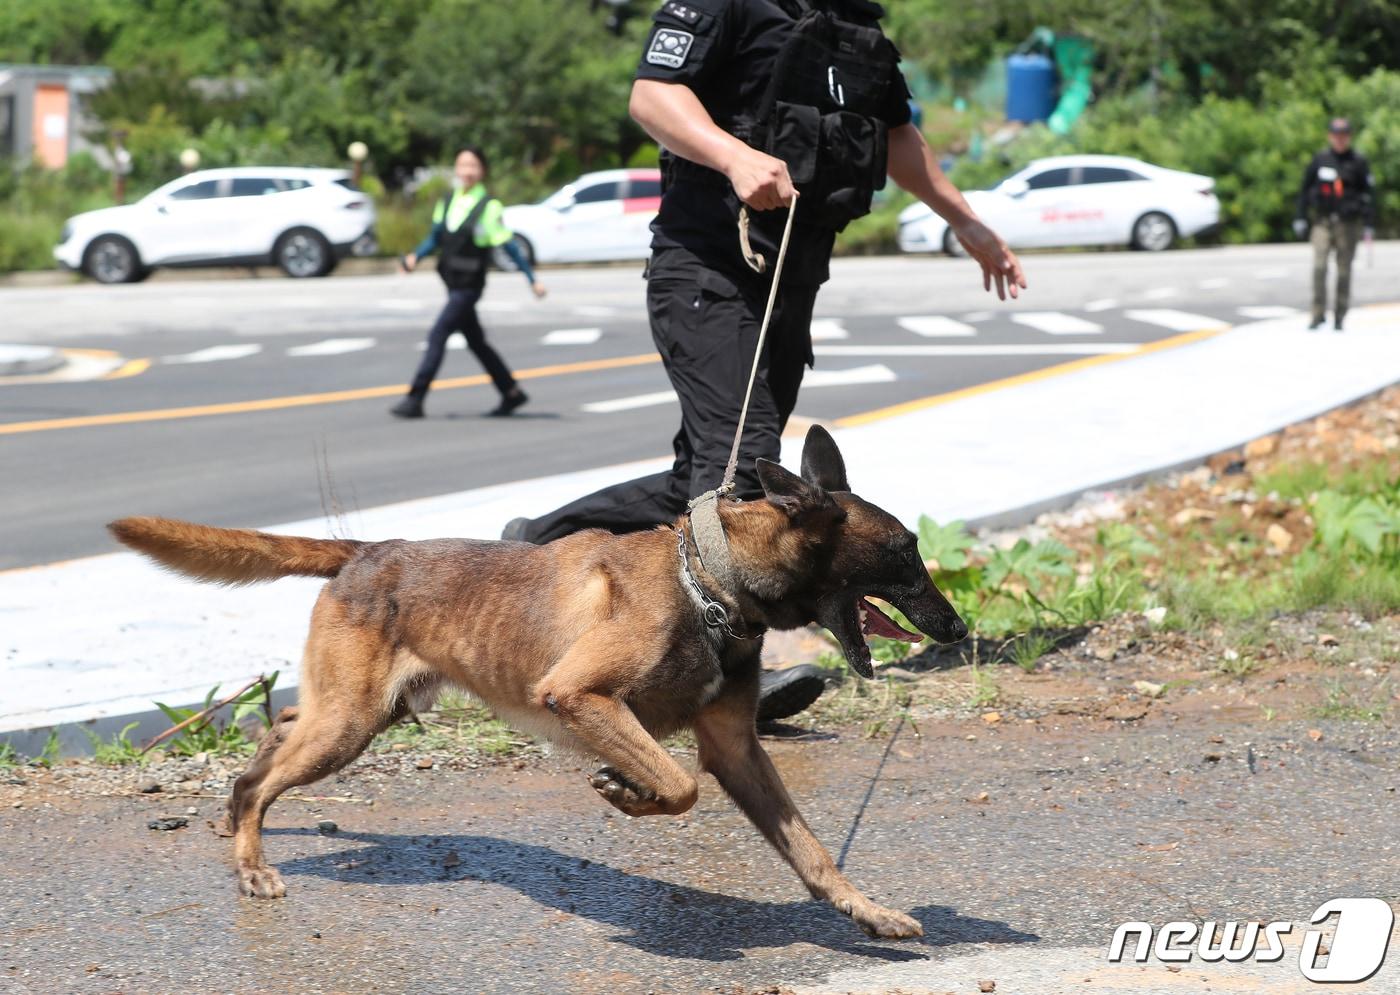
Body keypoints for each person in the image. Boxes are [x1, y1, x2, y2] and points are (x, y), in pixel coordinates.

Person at [504, 0, 1025, 720]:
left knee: (708, 477)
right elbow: (652, 94)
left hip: (791, 283)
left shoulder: (857, 27)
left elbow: (898, 135)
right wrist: (731, 153)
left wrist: (964, 219)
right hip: (708, 271)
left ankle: (538, 544)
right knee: (746, 477)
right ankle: (731, 679)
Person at [391, 147, 546, 419]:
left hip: (469, 286)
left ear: (482, 170)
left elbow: (508, 245)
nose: (467, 171)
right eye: (462, 165)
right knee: (476, 342)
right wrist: (415, 257)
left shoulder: (489, 206)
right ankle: (511, 392)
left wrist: (531, 279)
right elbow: (436, 236)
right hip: (451, 282)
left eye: (473, 165)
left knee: (438, 334)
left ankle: (415, 398)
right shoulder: (449, 200)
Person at [1294, 118, 1375, 332]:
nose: (1340, 139)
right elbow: (1304, 189)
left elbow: (1368, 194)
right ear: (1330, 136)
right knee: (1319, 267)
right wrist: (1300, 216)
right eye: (1336, 135)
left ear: (1348, 137)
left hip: (1348, 224)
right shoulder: (1320, 159)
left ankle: (1340, 315)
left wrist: (1368, 223)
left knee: (1344, 271)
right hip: (1322, 221)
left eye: (1344, 135)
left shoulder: (1358, 161)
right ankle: (1317, 313)